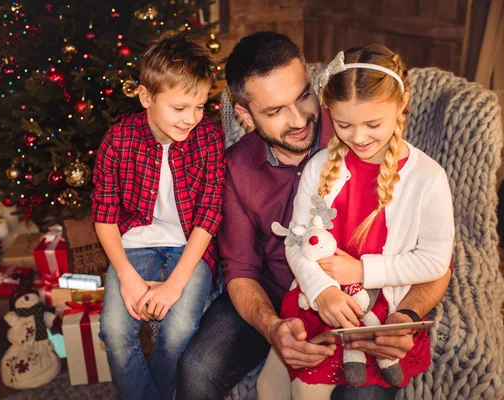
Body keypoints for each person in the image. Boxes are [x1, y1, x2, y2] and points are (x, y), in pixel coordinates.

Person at [176, 31, 452, 400]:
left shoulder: (354, 121)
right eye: (275, 111)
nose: (299, 119)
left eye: (303, 96)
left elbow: (436, 262)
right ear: (245, 115)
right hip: (274, 293)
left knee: (361, 396)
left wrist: (405, 315)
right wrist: (273, 328)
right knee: (196, 372)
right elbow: (240, 272)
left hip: (366, 301)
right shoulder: (237, 169)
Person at [257, 44, 455, 399]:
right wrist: (323, 291)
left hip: (377, 311)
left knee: (305, 392)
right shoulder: (319, 167)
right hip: (319, 300)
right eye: (344, 124)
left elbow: (435, 260)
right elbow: (296, 242)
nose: (359, 138)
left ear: (401, 103)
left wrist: (361, 271)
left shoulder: (428, 177)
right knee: (268, 387)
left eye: (373, 124)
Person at [91, 34, 225, 400]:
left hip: (190, 248)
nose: (191, 119)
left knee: (179, 329)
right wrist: (127, 277)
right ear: (146, 97)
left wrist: (175, 284)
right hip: (131, 247)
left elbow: (210, 214)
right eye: (180, 108)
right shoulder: (117, 141)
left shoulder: (209, 138)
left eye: (199, 106)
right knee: (115, 332)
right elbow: (104, 217)